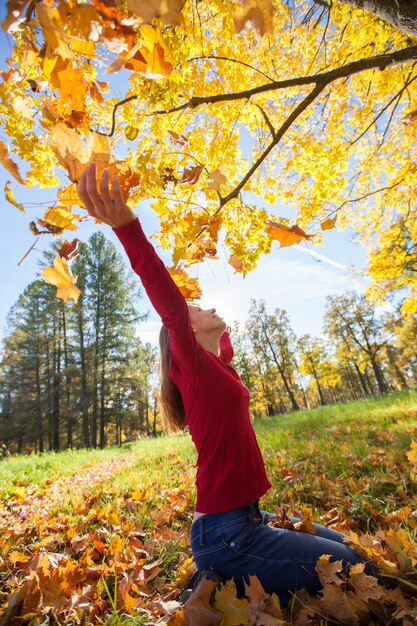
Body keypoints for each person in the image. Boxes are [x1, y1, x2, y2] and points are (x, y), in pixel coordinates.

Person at [78, 163, 375, 605]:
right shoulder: (192, 365)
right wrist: (127, 228)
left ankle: (220, 576)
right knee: (359, 570)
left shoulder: (219, 371)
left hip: (249, 518)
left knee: (350, 551)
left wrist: (217, 333)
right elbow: (171, 308)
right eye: (198, 307)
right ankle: (217, 574)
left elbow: (225, 353)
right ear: (184, 332)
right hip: (225, 533)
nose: (204, 306)